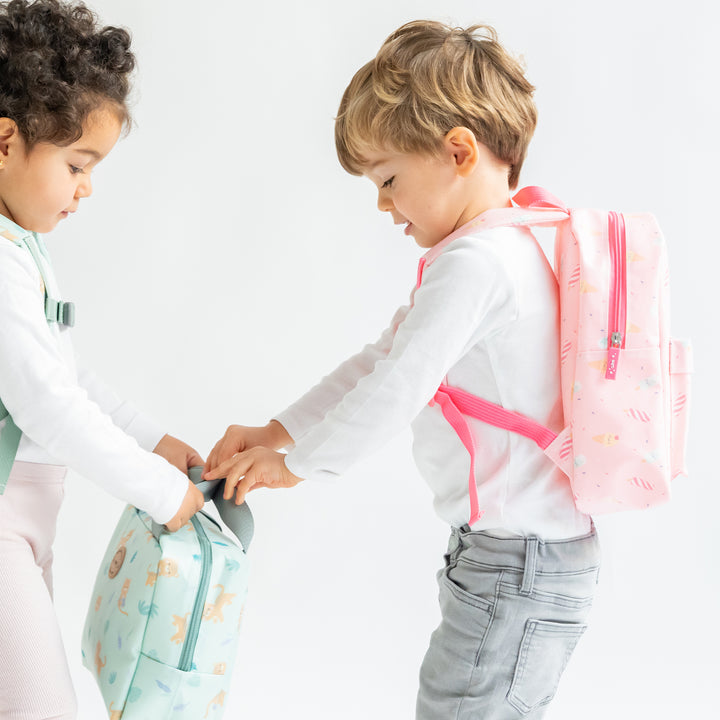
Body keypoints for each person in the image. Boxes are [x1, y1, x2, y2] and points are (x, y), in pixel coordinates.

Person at [204, 19, 600, 719]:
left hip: (514, 563)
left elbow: (397, 385)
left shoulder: (474, 264)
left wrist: (297, 465)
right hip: (525, 557)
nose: (383, 205)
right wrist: (278, 430)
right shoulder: (525, 240)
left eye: (388, 178)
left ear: (457, 151)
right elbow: (385, 358)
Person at [0, 1, 204, 718]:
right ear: (3, 142)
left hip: (24, 520)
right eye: (77, 163)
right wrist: (159, 489)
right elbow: (47, 408)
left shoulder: (22, 251)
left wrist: (152, 439)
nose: (87, 186)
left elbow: (67, 376)